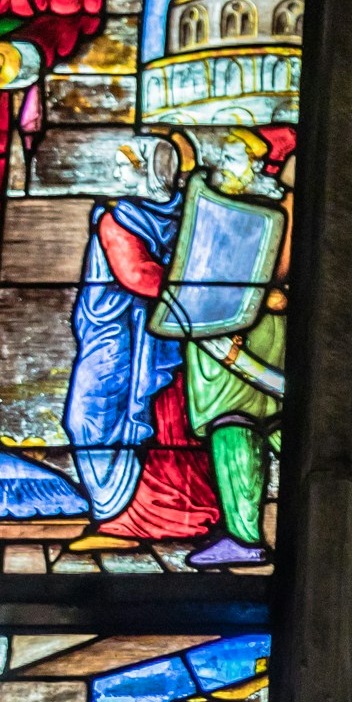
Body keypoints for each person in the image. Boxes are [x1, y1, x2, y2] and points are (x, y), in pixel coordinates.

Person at [62, 137, 222, 552]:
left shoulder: (187, 210)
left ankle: (138, 519)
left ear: (152, 172)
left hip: (154, 339)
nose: (116, 176)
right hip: (117, 333)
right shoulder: (120, 217)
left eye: (125, 167)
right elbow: (139, 276)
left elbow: (145, 275)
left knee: (162, 422)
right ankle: (116, 511)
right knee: (89, 417)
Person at [170, 127, 296, 568]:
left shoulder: (273, 212)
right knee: (266, 422)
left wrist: (267, 298)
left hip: (249, 330)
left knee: (234, 426)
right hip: (215, 325)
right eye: (223, 157)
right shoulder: (223, 205)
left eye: (235, 158)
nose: (224, 165)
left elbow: (280, 281)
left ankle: (244, 538)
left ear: (258, 165)